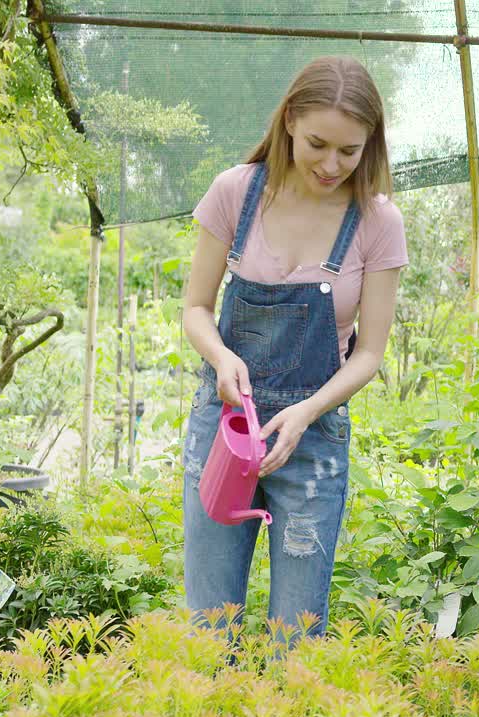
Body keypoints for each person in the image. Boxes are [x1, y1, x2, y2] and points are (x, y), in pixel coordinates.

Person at [180, 56, 406, 637]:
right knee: (209, 623)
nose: (331, 164)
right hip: (225, 427)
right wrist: (222, 358)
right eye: (318, 143)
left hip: (312, 439)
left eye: (349, 151)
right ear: (288, 122)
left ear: (369, 146)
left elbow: (370, 354)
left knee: (297, 634)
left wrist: (304, 414)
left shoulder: (377, 221)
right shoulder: (236, 192)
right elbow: (196, 309)